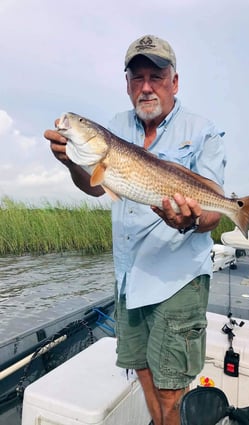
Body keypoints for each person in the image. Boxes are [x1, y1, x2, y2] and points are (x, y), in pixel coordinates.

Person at [44, 34, 226, 425]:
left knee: (171, 388)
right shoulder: (113, 127)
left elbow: (213, 209)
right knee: (141, 368)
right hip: (129, 278)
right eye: (137, 77)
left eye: (156, 76)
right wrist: (71, 162)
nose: (146, 86)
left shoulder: (203, 130)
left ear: (174, 82)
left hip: (177, 281)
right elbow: (94, 186)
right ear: (127, 84)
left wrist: (192, 219)